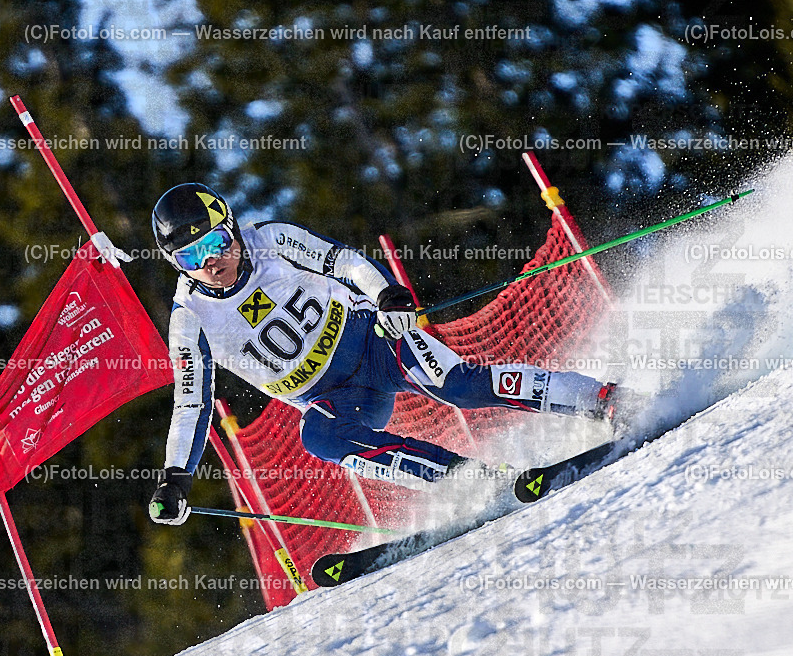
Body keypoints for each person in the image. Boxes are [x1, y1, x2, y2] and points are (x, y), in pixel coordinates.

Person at [147, 183, 619, 525]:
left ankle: (601, 398)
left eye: (214, 243)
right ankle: (465, 478)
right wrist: (176, 476)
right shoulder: (190, 320)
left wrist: (386, 296)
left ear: (231, 228)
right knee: (319, 438)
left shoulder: (269, 240)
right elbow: (193, 403)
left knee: (457, 385)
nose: (210, 262)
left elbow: (346, 262)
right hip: (337, 397)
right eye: (190, 258)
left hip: (373, 342)